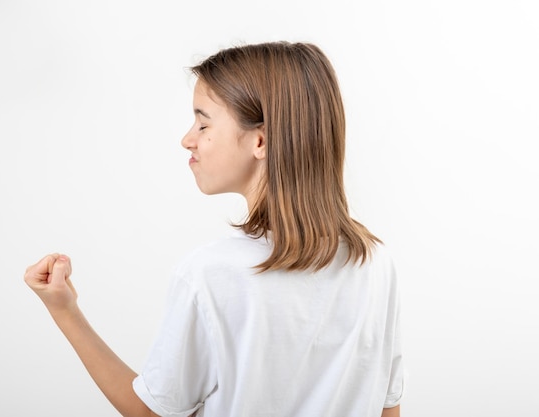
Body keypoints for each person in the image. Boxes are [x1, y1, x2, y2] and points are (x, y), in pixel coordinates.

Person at [24, 41, 404, 417]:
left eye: (203, 123)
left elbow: (153, 413)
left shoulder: (213, 273)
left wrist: (64, 311)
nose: (188, 139)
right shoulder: (375, 263)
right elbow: (388, 408)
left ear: (260, 140)